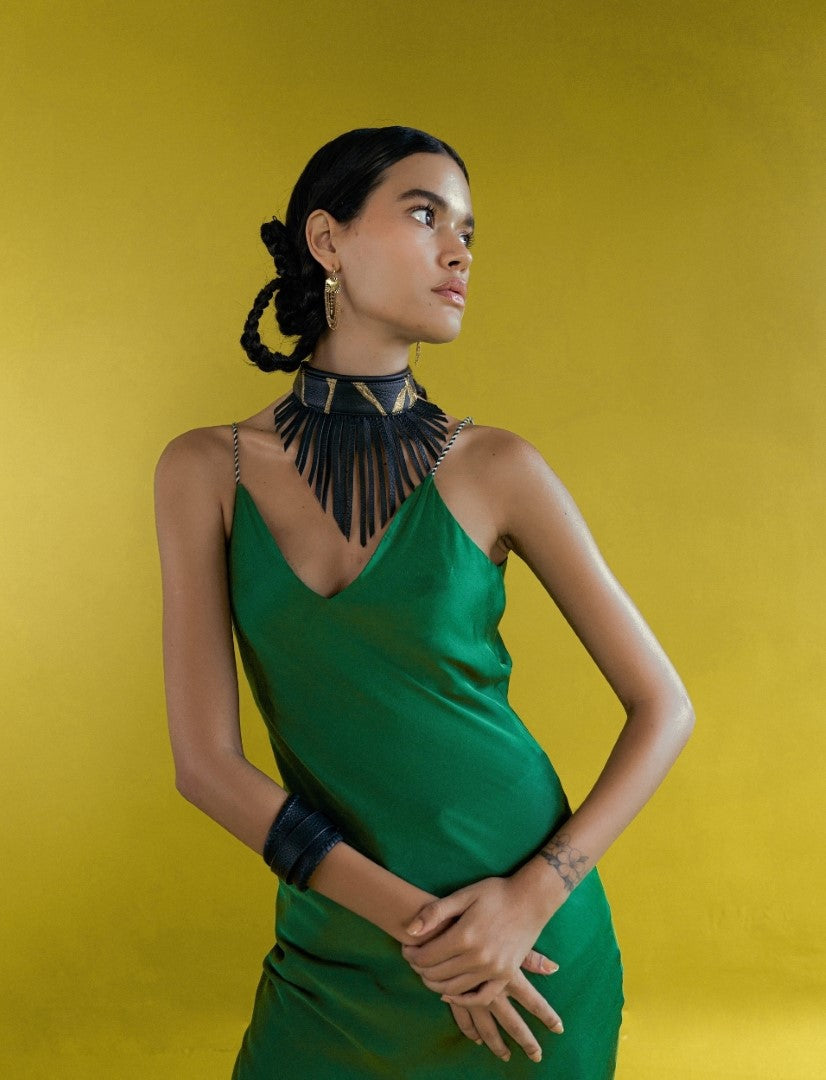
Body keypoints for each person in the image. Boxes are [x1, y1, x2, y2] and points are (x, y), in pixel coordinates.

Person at [153, 125, 694, 1078]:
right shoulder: (208, 470)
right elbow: (206, 766)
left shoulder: (499, 468)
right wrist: (430, 933)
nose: (459, 252)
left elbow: (666, 707)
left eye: (469, 232)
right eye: (423, 214)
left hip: (531, 958)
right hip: (345, 953)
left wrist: (528, 901)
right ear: (327, 240)